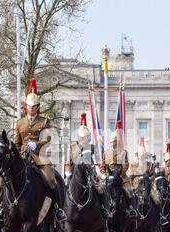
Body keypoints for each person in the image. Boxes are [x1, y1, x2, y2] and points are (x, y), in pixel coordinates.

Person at [14, 78, 66, 222]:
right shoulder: (20, 123)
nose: (32, 108)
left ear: (37, 107)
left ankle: (57, 208)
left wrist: (35, 145)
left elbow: (48, 140)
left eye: (34, 106)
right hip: (23, 155)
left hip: (40, 156)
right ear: (26, 106)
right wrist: (18, 155)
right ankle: (3, 208)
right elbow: (17, 143)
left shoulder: (44, 121)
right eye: (29, 106)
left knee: (51, 179)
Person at [99, 121, 134, 215]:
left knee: (129, 191)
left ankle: (130, 209)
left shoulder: (123, 152)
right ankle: (102, 208)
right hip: (109, 177)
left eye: (114, 141)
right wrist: (104, 173)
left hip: (121, 177)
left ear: (117, 142)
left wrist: (119, 173)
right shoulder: (106, 152)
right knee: (99, 190)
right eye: (111, 142)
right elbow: (102, 166)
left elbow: (126, 165)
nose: (112, 143)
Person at [64, 113, 103, 194]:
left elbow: (97, 161)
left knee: (100, 191)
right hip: (75, 174)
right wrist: (68, 172)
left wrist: (99, 171)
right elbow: (68, 162)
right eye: (81, 137)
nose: (82, 138)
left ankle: (103, 206)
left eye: (85, 136)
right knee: (65, 189)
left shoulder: (92, 147)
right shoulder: (73, 147)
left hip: (90, 174)